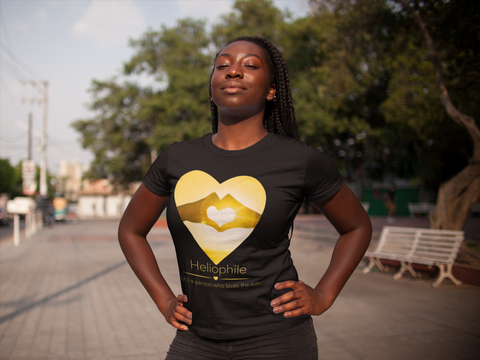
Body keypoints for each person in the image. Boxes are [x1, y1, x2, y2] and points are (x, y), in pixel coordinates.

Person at [118, 36, 372, 360]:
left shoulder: (299, 159)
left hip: (277, 340)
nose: (233, 71)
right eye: (222, 65)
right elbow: (130, 230)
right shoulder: (177, 158)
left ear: (271, 90)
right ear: (212, 86)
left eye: (250, 65)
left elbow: (357, 227)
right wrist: (164, 300)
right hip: (196, 338)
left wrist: (323, 295)